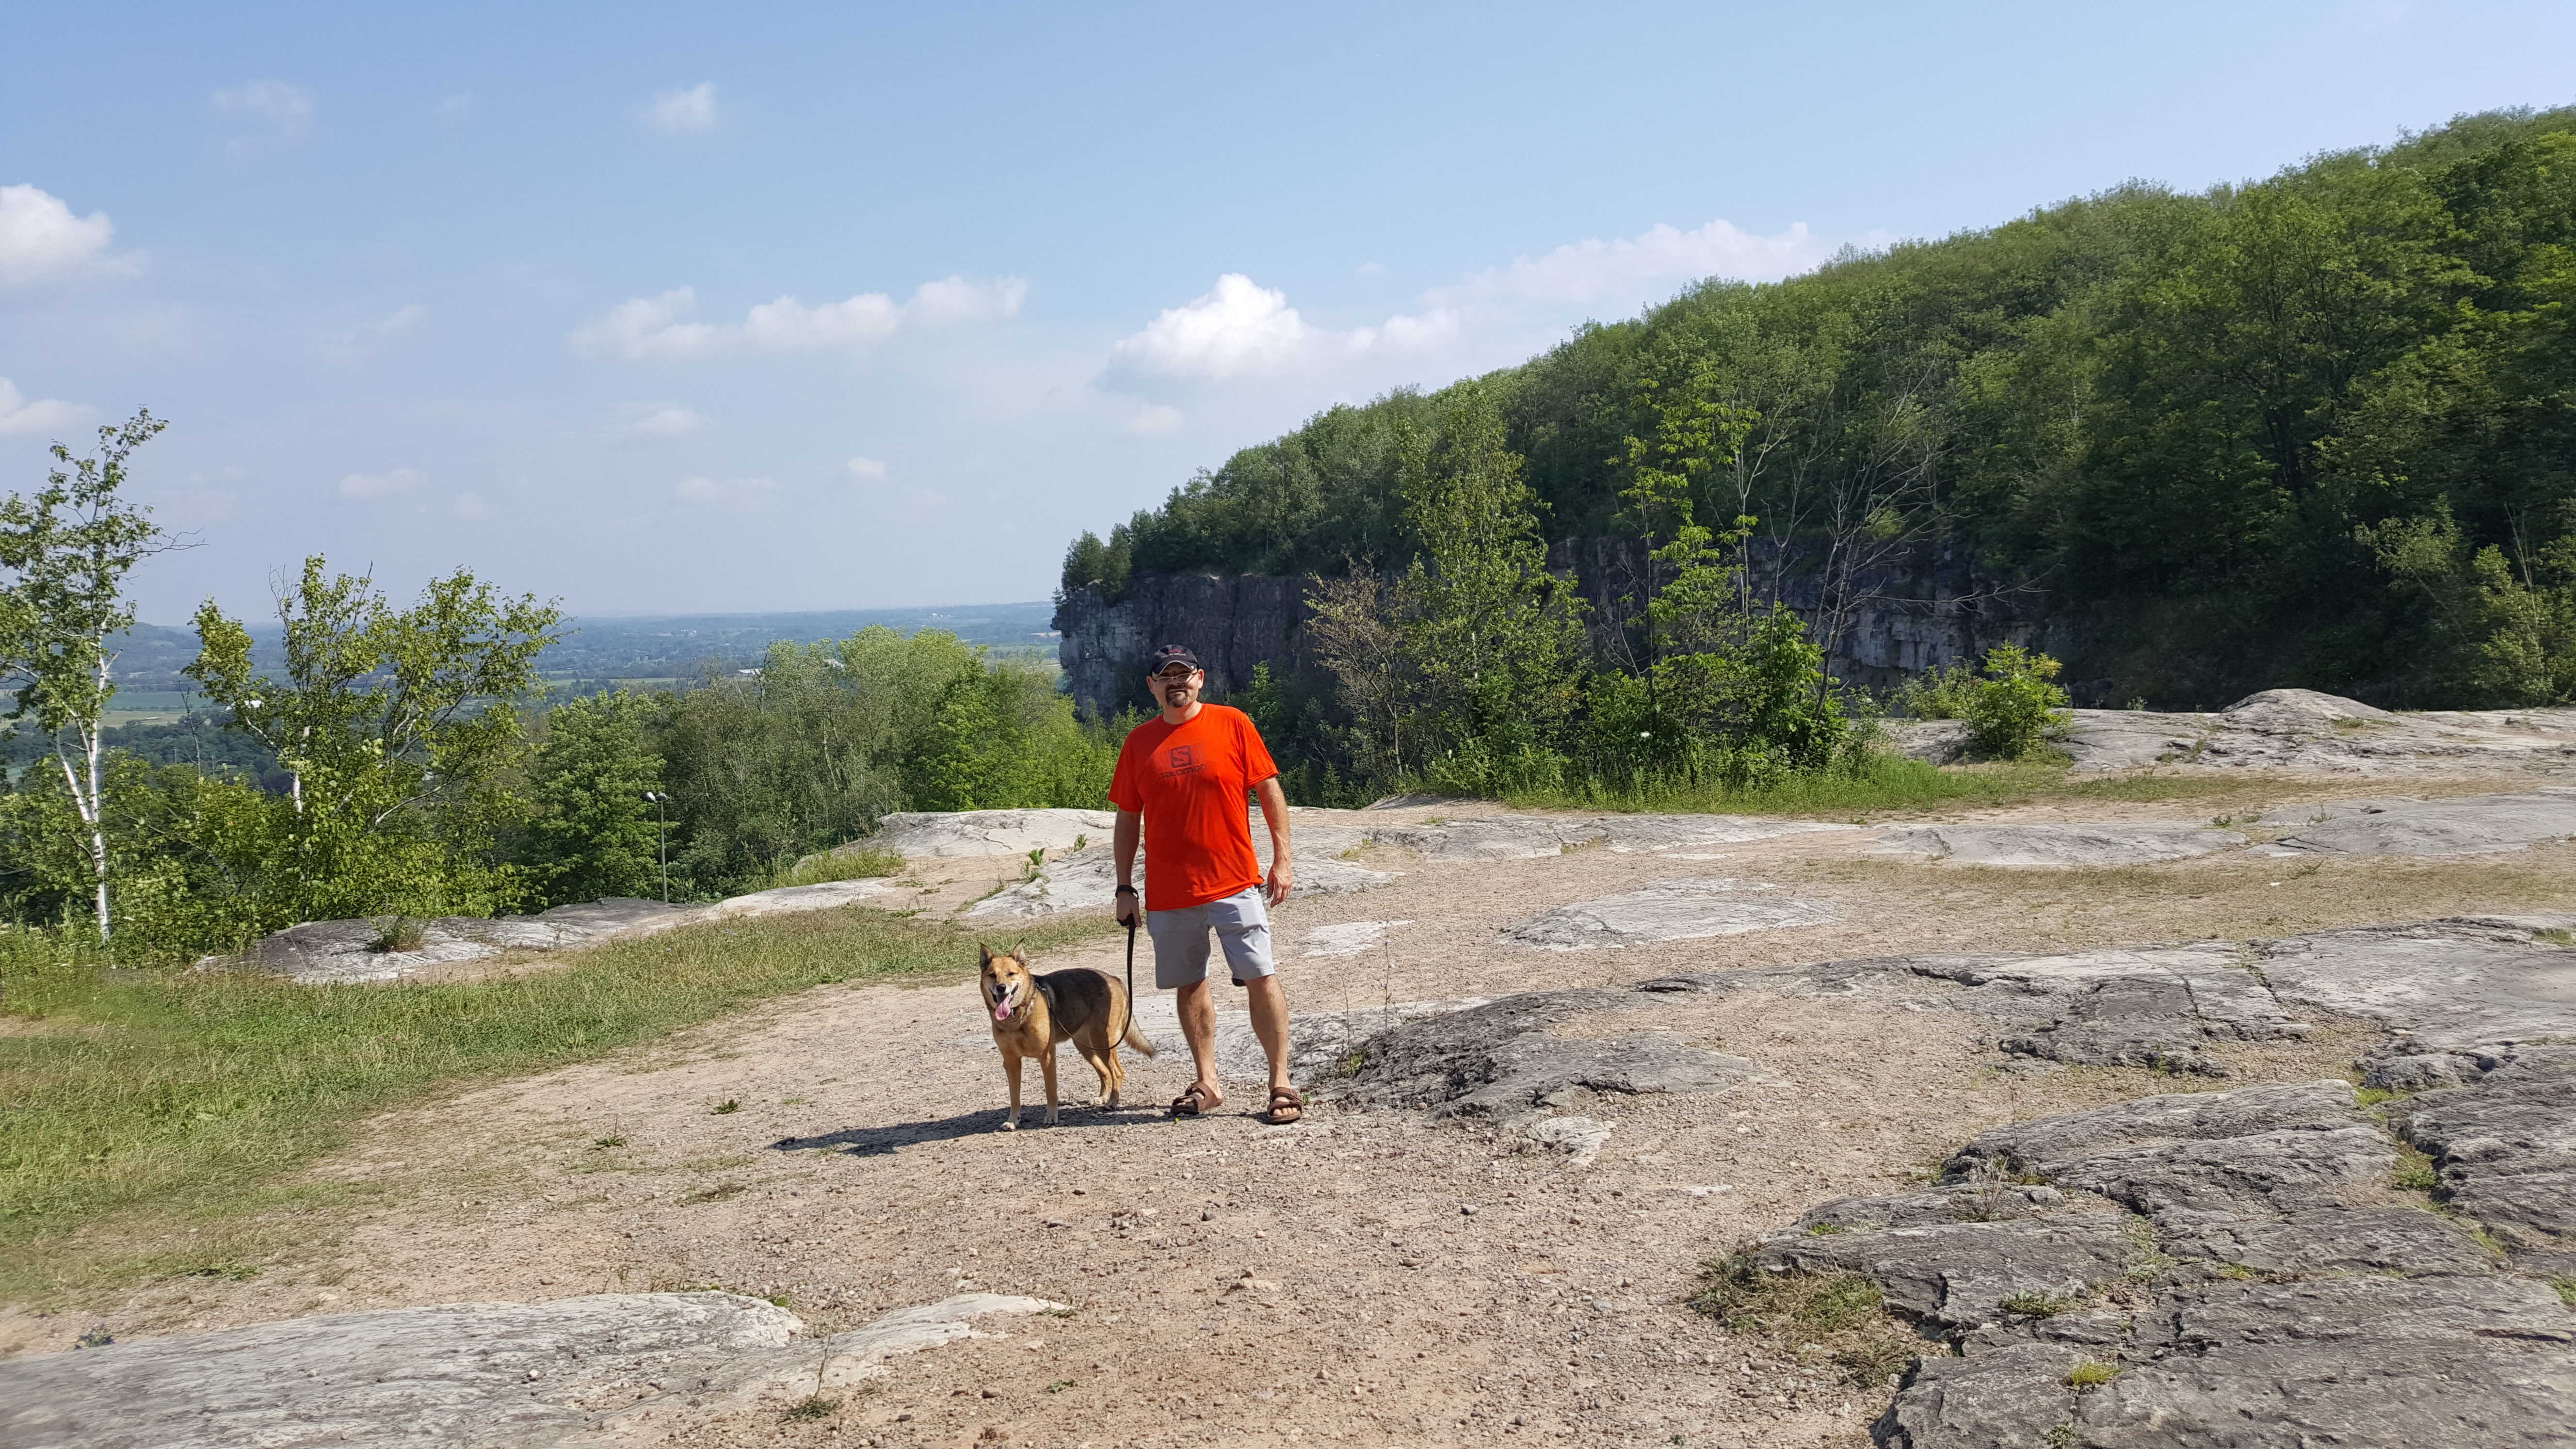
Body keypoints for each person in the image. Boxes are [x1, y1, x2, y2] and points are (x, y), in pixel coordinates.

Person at [1108, 644, 1301, 1124]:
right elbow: (1128, 819)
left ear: (1200, 679)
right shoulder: (1138, 744)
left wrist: (1282, 859)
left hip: (1234, 880)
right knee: (1189, 984)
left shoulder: (1233, 723)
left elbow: (1268, 788)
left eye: (1184, 674)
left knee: (1260, 976)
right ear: (1151, 686)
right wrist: (1123, 887)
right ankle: (1208, 1082)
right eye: (1164, 676)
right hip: (1170, 892)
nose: (1176, 683)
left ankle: (1280, 1082)